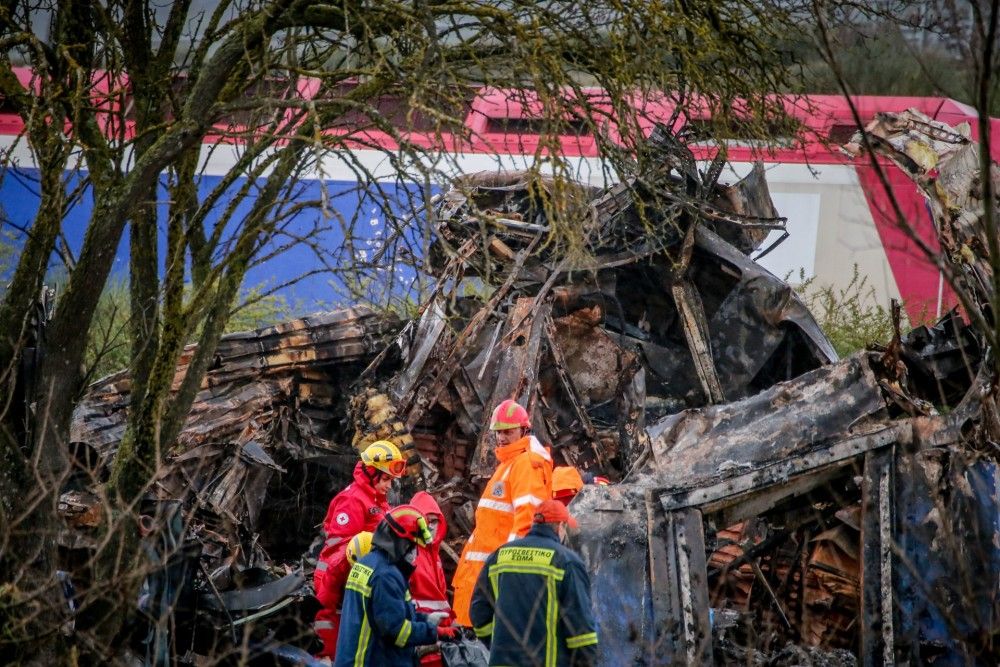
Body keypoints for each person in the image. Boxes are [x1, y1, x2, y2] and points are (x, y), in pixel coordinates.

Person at [451, 399, 553, 626]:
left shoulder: (525, 464)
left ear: (524, 430)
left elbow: (527, 522)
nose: (502, 437)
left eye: (508, 431)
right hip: (484, 579)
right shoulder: (509, 464)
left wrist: (509, 572)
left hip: (494, 582)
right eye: (498, 432)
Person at [469, 500, 599, 667]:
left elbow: (479, 614)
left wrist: (496, 644)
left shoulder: (500, 555)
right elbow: (581, 632)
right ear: (560, 527)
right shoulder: (566, 562)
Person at [335, 505, 458, 666]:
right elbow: (397, 632)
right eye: (413, 546)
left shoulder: (368, 563)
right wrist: (434, 632)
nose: (415, 553)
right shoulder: (386, 576)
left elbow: (390, 613)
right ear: (401, 543)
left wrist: (426, 619)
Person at [321, 440, 406, 553]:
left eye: (391, 480)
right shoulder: (352, 500)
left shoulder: (376, 498)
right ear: (372, 473)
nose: (389, 486)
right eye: (386, 479)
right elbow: (339, 550)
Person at [409, 491, 453, 667]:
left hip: (437, 635)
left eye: (435, 521)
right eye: (427, 520)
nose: (432, 526)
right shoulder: (411, 554)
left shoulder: (434, 555)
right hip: (422, 635)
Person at [314, 531, 373, 660]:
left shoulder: (383, 560)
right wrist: (329, 655)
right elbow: (324, 611)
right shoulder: (337, 566)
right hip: (325, 578)